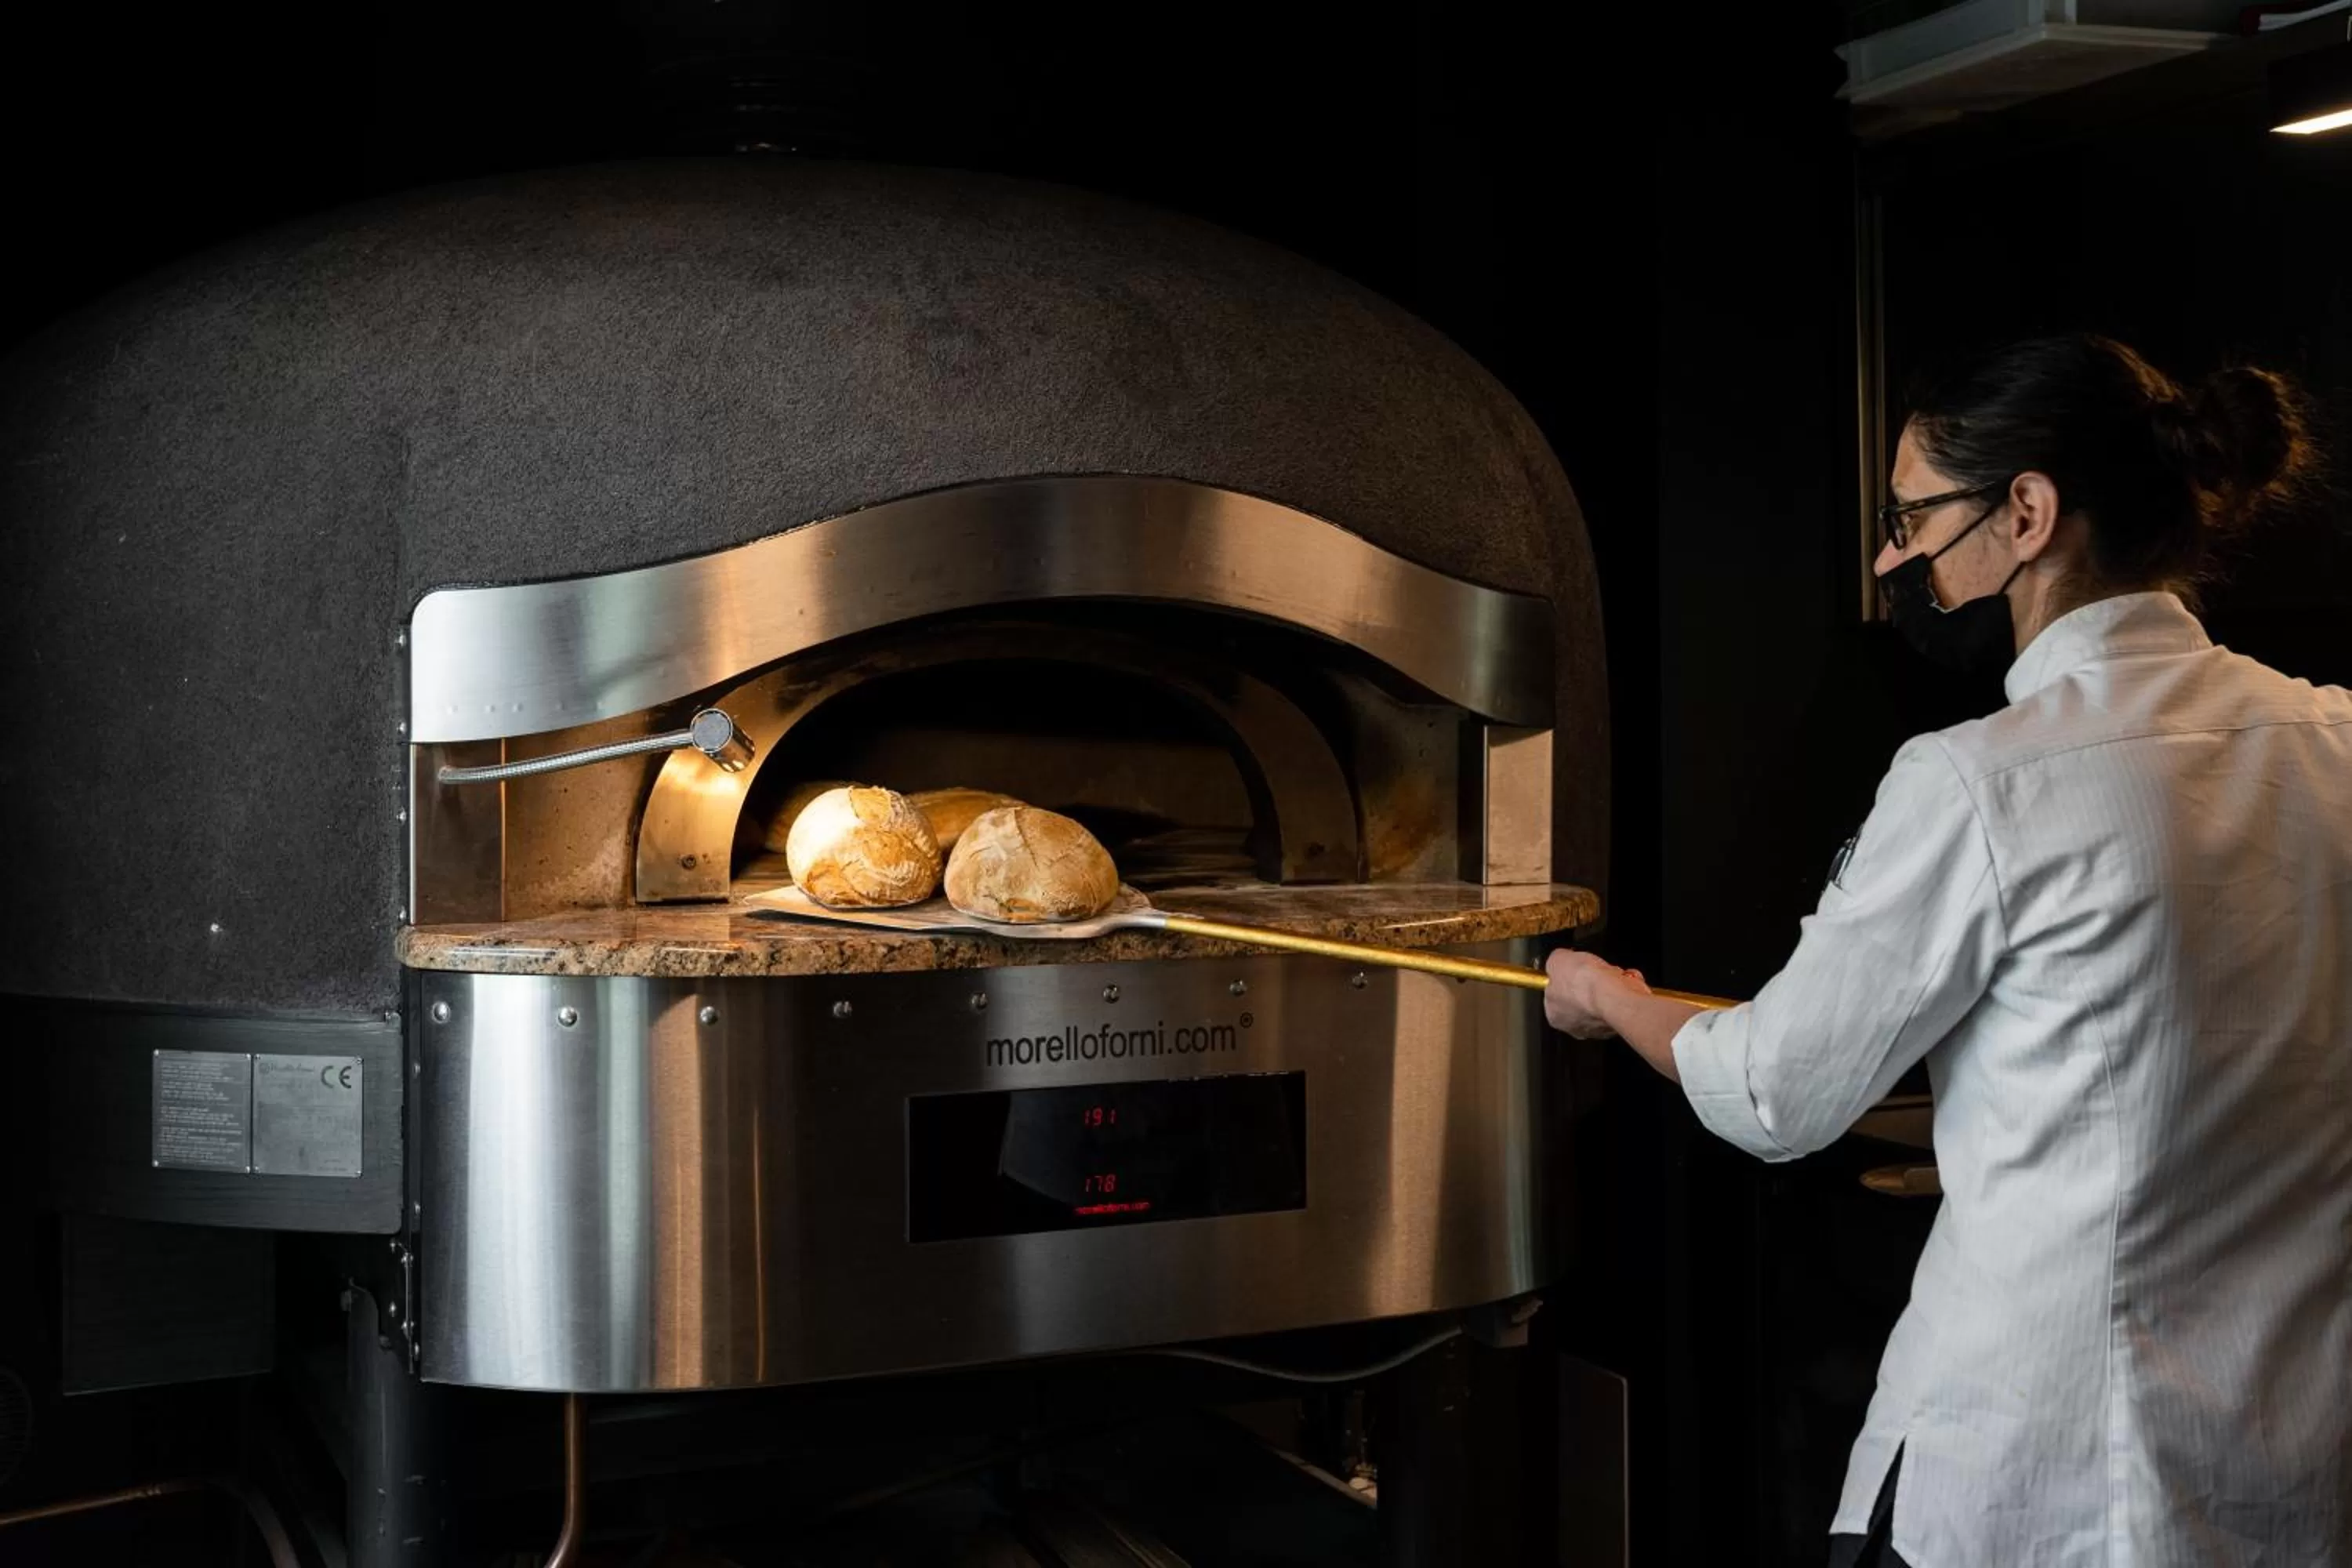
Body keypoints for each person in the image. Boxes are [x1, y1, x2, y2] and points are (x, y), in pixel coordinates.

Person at [1545, 334, 2351, 1566]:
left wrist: (1611, 995)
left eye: (1911, 516)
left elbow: (1775, 1090)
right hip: (2293, 1478)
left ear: (2026, 512)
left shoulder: (1981, 780)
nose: (1891, 558)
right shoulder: (2336, 739)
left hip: (2044, 1483)